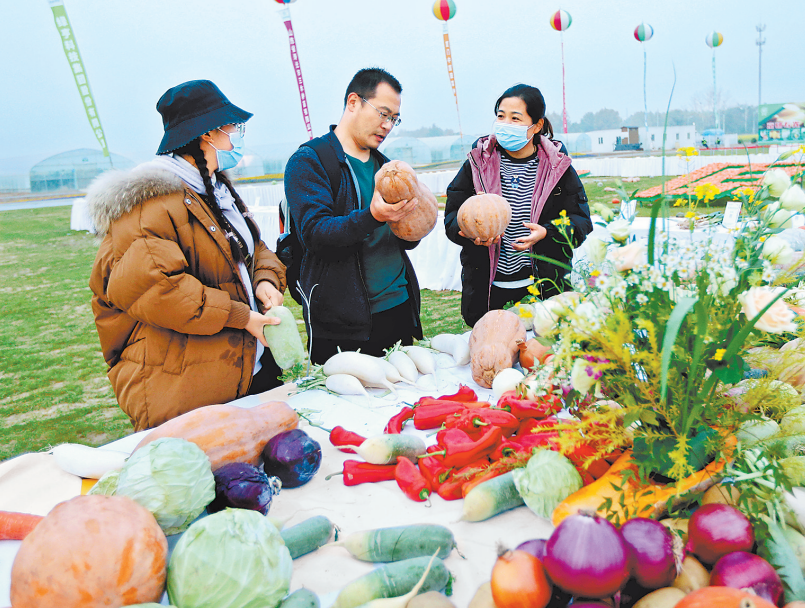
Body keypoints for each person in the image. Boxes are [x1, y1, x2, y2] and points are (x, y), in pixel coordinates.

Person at [88, 80, 287, 430]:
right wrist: (242, 316)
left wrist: (265, 279)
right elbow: (160, 289)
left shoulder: (216, 189)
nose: (237, 136)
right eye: (233, 128)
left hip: (245, 369)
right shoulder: (149, 204)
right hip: (185, 383)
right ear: (208, 134)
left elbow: (253, 248)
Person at [284, 68, 423, 363]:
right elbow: (315, 233)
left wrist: (413, 224)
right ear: (353, 102)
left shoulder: (387, 166)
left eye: (394, 119)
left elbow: (399, 239)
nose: (387, 126)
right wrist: (372, 216)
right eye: (383, 113)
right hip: (343, 322)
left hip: (398, 306)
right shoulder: (309, 161)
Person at [444, 84, 593, 327]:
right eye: (501, 117)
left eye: (515, 118)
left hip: (543, 285)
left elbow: (581, 222)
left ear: (536, 126)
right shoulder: (477, 165)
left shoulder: (558, 169)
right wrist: (468, 234)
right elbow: (452, 217)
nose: (505, 124)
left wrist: (548, 233)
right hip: (488, 288)